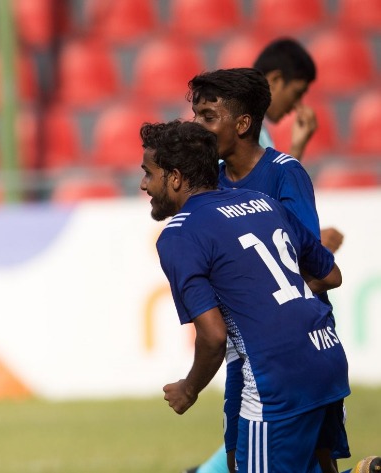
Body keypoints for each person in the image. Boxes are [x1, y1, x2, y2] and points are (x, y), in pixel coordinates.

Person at [139, 119, 353, 473]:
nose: (144, 184)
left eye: (149, 173)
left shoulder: (179, 234)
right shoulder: (263, 201)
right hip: (326, 356)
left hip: (275, 376)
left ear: (174, 177)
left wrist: (188, 389)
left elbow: (213, 337)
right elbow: (331, 275)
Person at [186, 67, 349, 473]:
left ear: (242, 124)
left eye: (208, 116)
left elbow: (309, 263)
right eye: (196, 116)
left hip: (294, 346)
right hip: (247, 352)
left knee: (310, 461)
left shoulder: (285, 173)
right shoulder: (211, 184)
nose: (198, 126)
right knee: (239, 458)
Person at [253, 37, 344, 253]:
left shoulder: (260, 132)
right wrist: (309, 239)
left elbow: (270, 195)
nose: (297, 106)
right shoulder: (242, 133)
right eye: (297, 93)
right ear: (275, 80)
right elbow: (251, 209)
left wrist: (297, 147)